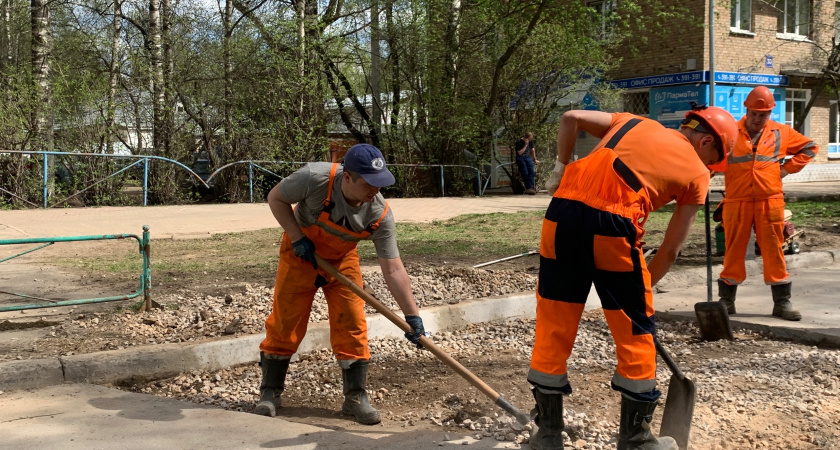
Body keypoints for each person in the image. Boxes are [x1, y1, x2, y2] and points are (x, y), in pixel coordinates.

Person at [529, 105, 738, 450]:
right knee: (635, 333)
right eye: (714, 160)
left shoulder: (632, 120)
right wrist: (639, 300)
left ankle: (547, 435)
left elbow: (570, 118)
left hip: (559, 218)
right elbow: (670, 250)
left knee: (554, 322)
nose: (710, 170)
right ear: (704, 142)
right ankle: (636, 440)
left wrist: (560, 169)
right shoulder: (697, 176)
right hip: (612, 225)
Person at [255, 143, 426, 425]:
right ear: (348, 177)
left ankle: (355, 398)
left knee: (353, 323)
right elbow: (275, 198)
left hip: (341, 263)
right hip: (300, 256)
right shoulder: (314, 178)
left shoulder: (380, 214)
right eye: (369, 184)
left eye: (380, 184)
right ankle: (270, 392)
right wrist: (297, 238)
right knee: (286, 322)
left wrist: (412, 316)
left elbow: (393, 268)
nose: (375, 191)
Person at [717, 86, 819, 321]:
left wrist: (784, 170)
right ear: (747, 110)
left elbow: (811, 147)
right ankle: (726, 301)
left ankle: (782, 303)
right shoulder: (730, 130)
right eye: (753, 113)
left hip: (769, 200)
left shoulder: (781, 132)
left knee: (774, 251)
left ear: (770, 113)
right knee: (733, 251)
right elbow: (712, 156)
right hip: (737, 200)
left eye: (762, 114)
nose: (756, 118)